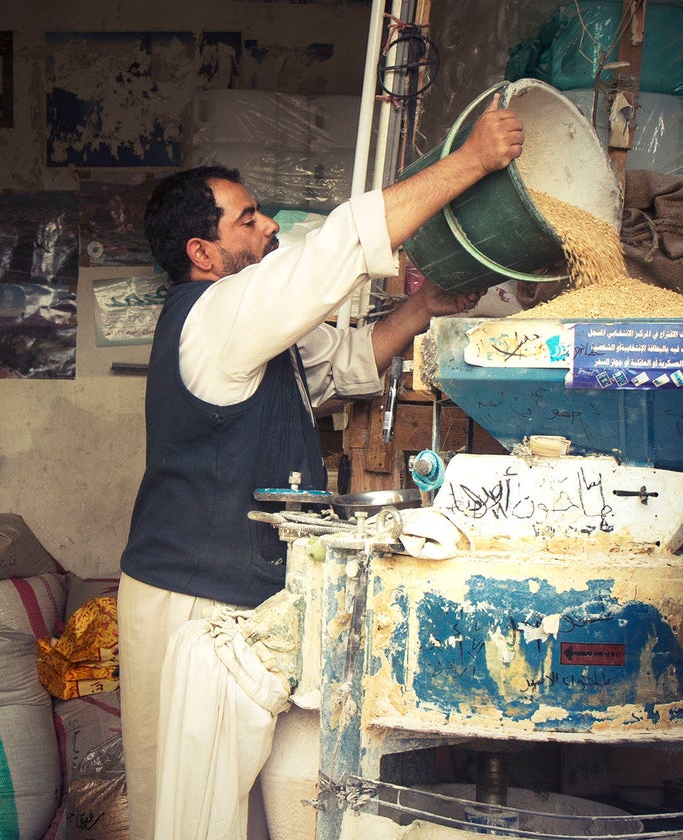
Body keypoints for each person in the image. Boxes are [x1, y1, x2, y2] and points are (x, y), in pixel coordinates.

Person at [117, 95, 524, 840]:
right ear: (202, 254)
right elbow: (327, 257)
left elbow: (340, 365)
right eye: (247, 218)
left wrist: (426, 304)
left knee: (283, 805)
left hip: (260, 595)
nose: (269, 224)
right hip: (192, 602)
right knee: (188, 817)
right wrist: (470, 162)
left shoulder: (255, 333)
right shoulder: (214, 313)